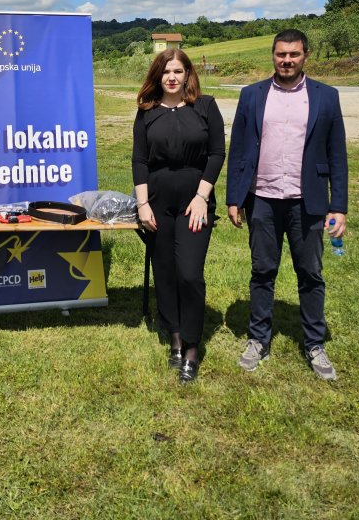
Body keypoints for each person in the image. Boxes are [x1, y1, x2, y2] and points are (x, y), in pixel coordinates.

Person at [225, 28, 347, 381]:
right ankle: (258, 339)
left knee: (310, 273)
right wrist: (234, 198)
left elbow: (337, 154)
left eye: (294, 54)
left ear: (306, 55)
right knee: (263, 271)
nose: (287, 60)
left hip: (307, 201)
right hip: (262, 198)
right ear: (273, 56)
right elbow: (239, 150)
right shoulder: (252, 95)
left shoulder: (326, 96)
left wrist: (338, 206)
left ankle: (314, 343)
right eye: (281, 54)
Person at [132, 49, 225, 383]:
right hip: (157, 203)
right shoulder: (147, 112)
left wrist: (202, 196)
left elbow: (217, 154)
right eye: (165, 71)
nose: (171, 77)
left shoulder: (206, 107)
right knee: (166, 272)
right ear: (158, 76)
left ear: (188, 74)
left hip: (194, 203)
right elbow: (139, 160)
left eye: (177, 71)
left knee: (189, 273)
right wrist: (143, 204)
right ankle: (174, 336)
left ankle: (191, 346)